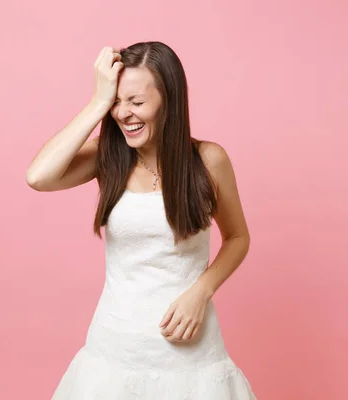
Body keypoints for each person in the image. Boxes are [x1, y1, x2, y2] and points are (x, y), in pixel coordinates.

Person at [26, 41, 256, 399]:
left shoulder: (208, 160)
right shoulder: (108, 157)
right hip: (114, 352)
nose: (124, 114)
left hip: (190, 357)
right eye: (117, 102)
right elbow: (38, 176)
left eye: (136, 102)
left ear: (169, 101)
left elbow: (238, 237)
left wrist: (201, 291)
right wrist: (96, 103)